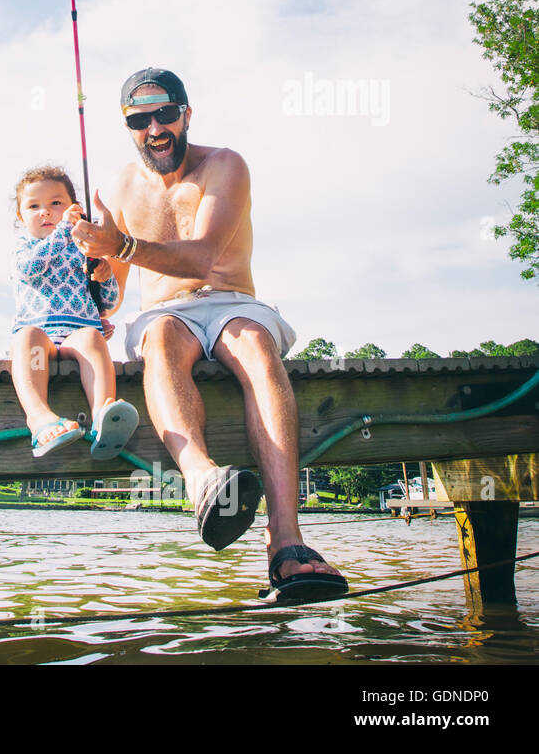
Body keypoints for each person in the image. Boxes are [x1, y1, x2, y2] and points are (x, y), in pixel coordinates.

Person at [68, 67, 348, 601]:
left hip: (231, 302)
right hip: (165, 314)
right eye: (139, 119)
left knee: (255, 344)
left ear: (186, 114)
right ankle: (202, 481)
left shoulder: (226, 165)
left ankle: (287, 544)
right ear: (127, 126)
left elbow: (203, 254)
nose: (154, 128)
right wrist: (98, 271)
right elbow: (117, 290)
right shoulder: (122, 186)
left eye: (165, 114)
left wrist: (120, 245)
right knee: (162, 340)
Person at [10, 165, 139, 459]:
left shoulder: (86, 247)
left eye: (55, 203)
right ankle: (39, 418)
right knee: (26, 338)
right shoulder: (24, 246)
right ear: (21, 216)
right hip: (40, 335)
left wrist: (104, 275)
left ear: (74, 208)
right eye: (34, 206)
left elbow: (106, 302)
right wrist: (62, 231)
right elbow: (30, 270)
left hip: (76, 333)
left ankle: (104, 416)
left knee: (93, 338)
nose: (45, 212)